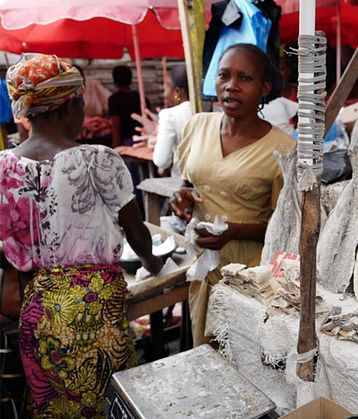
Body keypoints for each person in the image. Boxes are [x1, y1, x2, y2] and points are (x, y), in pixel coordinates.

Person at [0, 54, 164, 417]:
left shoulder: (3, 167)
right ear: (70, 106)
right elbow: (137, 235)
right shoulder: (100, 159)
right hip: (96, 306)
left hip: (38, 307)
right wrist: (153, 263)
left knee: (52, 404)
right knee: (107, 401)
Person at [172, 44, 294, 346]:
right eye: (224, 76)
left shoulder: (282, 149)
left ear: (264, 87)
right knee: (205, 356)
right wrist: (183, 198)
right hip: (204, 265)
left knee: (241, 357)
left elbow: (287, 228)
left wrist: (236, 231)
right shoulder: (197, 125)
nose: (231, 86)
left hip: (252, 277)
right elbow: (189, 183)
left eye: (245, 78)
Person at [151, 64, 193, 178]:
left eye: (166, 88)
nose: (164, 95)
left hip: (184, 185)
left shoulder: (170, 115)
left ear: (178, 92)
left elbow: (161, 161)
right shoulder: (212, 110)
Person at [108, 65, 148, 148]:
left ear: (115, 80)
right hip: (144, 140)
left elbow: (116, 126)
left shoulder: (114, 99)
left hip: (126, 143)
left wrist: (115, 147)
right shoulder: (142, 98)